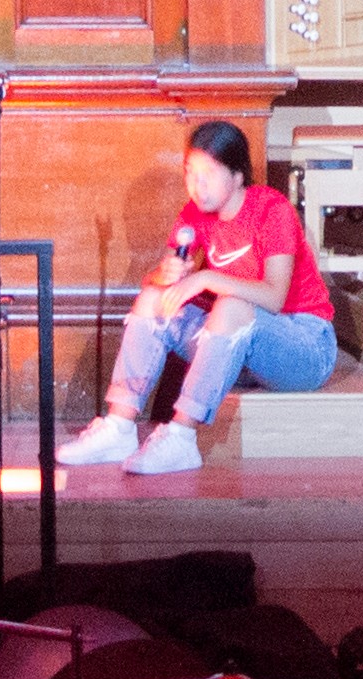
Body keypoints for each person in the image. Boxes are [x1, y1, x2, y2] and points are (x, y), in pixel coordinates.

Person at [59, 121, 341, 472]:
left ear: (238, 175)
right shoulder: (194, 215)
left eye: (208, 173)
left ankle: (181, 437)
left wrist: (205, 277)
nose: (197, 185)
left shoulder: (272, 210)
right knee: (151, 301)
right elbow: (160, 282)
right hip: (238, 347)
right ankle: (119, 426)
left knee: (231, 306)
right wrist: (166, 275)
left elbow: (273, 298)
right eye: (190, 173)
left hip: (303, 345)